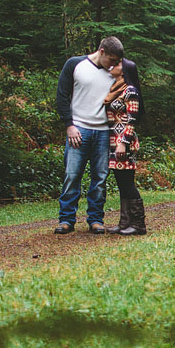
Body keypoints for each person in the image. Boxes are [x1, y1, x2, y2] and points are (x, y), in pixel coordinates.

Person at [54, 36, 124, 234]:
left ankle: (95, 219)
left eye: (117, 61)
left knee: (100, 177)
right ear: (101, 51)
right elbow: (62, 95)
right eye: (111, 60)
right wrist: (69, 125)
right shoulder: (75, 64)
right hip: (79, 129)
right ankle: (66, 219)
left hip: (104, 131)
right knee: (72, 174)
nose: (114, 64)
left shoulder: (116, 72)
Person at [104, 58, 147, 235]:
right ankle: (124, 222)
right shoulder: (115, 89)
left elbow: (132, 120)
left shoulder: (130, 91)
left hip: (124, 143)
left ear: (124, 71)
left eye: (118, 64)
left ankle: (138, 224)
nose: (113, 65)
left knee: (128, 183)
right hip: (113, 142)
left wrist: (123, 143)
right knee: (121, 183)